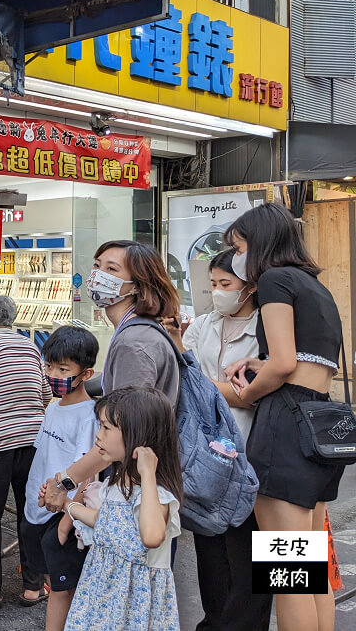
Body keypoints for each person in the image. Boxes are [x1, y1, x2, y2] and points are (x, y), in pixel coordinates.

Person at [223, 202, 345, 631]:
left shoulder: (274, 280)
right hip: (317, 424)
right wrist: (261, 364)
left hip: (283, 430)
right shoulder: (316, 287)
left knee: (289, 575)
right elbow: (307, 360)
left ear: (258, 244)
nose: (238, 256)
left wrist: (246, 393)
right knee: (311, 572)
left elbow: (282, 363)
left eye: (238, 246)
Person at [164, 249, 272, 631]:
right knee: (212, 545)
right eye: (213, 284)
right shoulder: (204, 325)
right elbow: (184, 374)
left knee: (260, 554)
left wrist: (206, 386)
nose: (218, 292)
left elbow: (257, 391)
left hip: (256, 451)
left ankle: (250, 623)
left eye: (226, 284)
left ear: (251, 286)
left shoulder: (270, 325)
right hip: (208, 457)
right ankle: (216, 622)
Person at [43, 240, 180, 513]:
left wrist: (64, 482)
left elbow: (123, 431)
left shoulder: (135, 342)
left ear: (138, 285)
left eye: (112, 269)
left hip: (137, 489)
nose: (98, 276)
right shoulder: (135, 332)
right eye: (97, 266)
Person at [61, 386, 182, 630]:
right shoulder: (115, 483)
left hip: (134, 604)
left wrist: (148, 473)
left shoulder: (155, 494)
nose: (98, 436)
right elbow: (109, 524)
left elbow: (151, 536)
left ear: (141, 437)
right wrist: (67, 505)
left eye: (106, 428)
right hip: (100, 596)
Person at [0, 293, 51, 609]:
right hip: (32, 440)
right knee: (30, 510)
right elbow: (44, 394)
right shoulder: (30, 346)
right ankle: (33, 586)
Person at [20, 326, 99, 630]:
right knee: (55, 584)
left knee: (68, 586)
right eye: (49, 365)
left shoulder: (88, 414)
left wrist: (67, 521)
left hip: (62, 514)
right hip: (37, 510)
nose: (53, 373)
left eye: (63, 368)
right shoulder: (53, 407)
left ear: (86, 373)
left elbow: (87, 472)